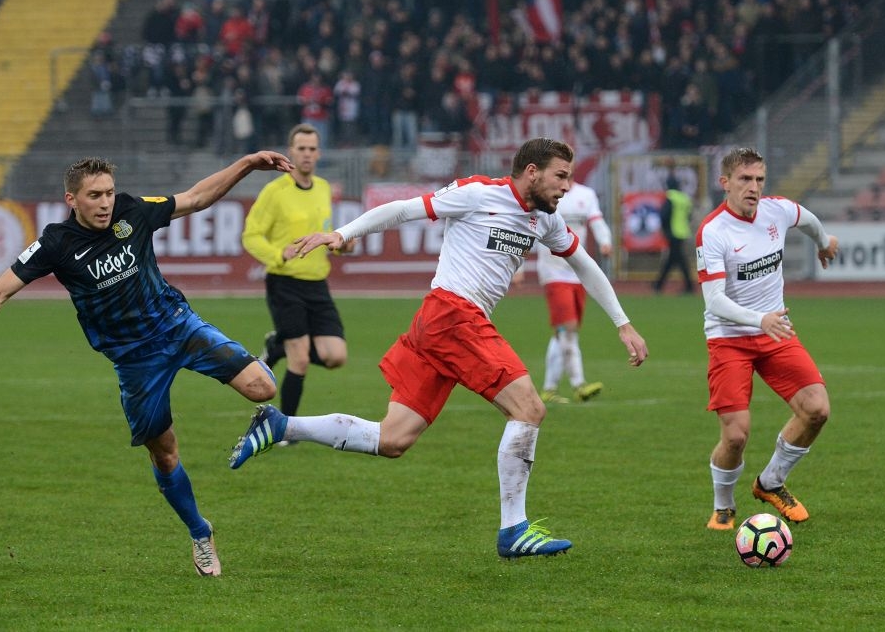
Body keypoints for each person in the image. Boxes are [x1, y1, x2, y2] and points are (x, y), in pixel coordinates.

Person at [230, 138, 649, 558]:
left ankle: (281, 426)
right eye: (561, 176)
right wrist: (342, 233)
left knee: (392, 439)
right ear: (532, 172)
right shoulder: (478, 193)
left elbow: (584, 265)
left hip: (446, 327)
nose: (567, 187)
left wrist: (623, 323)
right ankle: (514, 531)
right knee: (530, 408)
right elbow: (402, 210)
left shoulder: (544, 220)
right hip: (453, 314)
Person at [0, 151, 294, 576]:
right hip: (134, 360)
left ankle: (264, 418)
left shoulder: (132, 211)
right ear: (72, 199)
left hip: (178, 327)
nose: (105, 203)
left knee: (263, 388)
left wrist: (248, 164)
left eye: (107, 193)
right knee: (165, 455)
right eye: (94, 196)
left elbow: (196, 198)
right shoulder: (55, 243)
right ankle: (200, 532)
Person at [697, 147, 838, 531]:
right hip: (730, 338)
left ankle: (771, 482)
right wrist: (759, 320)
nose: (754, 187)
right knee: (737, 435)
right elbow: (714, 300)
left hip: (774, 330)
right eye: (744, 179)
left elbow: (805, 218)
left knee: (817, 409)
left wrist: (823, 240)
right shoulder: (713, 231)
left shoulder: (775, 210)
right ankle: (723, 506)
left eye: (759, 179)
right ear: (724, 182)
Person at [242, 124, 353, 422]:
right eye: (301, 148)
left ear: (319, 153)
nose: (306, 154)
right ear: (291, 152)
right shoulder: (274, 191)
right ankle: (285, 430)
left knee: (335, 356)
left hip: (317, 283)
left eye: (312, 149)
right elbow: (250, 235)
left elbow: (325, 234)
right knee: (300, 358)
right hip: (284, 284)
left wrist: (342, 246)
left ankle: (276, 346)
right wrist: (278, 255)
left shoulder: (324, 188)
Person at [533, 179, 613, 405]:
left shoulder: (586, 194)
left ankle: (549, 389)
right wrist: (519, 265)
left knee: (565, 332)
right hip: (553, 272)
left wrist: (605, 240)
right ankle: (579, 384)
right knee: (567, 328)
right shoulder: (544, 192)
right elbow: (528, 227)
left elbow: (596, 222)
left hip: (577, 271)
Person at [653, 165, 695, 294]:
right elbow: (689, 215)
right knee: (674, 258)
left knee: (677, 259)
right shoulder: (684, 198)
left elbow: (664, 215)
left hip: (673, 232)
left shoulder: (670, 197)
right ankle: (659, 284)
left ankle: (688, 286)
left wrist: (664, 229)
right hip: (683, 231)